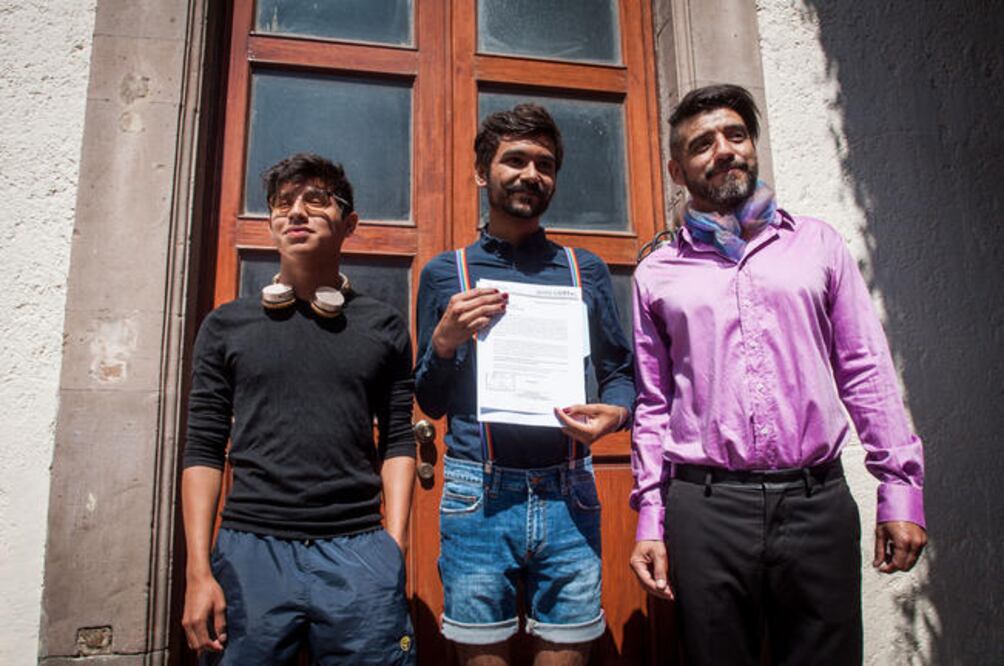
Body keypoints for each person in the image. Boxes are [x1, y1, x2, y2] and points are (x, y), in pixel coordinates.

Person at [629, 84, 927, 665]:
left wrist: (900, 490)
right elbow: (653, 403)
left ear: (754, 147)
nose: (724, 151)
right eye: (702, 144)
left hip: (816, 501)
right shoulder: (657, 274)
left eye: (735, 135)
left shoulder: (817, 245)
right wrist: (650, 516)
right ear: (676, 169)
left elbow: (865, 368)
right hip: (706, 508)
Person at [415, 103, 634, 666]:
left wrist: (617, 414)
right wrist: (443, 343)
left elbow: (619, 374)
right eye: (515, 160)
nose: (531, 174)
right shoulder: (447, 273)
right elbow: (430, 400)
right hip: (476, 494)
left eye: (545, 164)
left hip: (570, 492)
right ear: (482, 171)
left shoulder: (583, 269)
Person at [180, 153, 416, 664]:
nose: (297, 212)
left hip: (358, 550)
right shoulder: (225, 327)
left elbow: (398, 439)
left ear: (349, 223)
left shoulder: (384, 327)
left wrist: (392, 550)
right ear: (270, 224)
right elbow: (202, 446)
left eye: (317, 200)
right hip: (248, 553)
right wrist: (198, 570)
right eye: (284, 203)